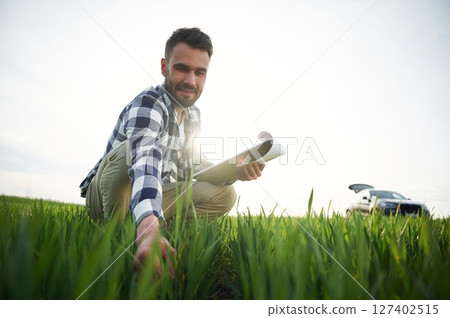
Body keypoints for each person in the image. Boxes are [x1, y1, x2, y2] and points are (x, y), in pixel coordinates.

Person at [79, 27, 265, 276]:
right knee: (131, 152)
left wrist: (234, 171)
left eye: (200, 72)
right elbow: (144, 158)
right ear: (164, 67)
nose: (191, 80)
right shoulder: (149, 102)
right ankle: (137, 229)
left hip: (155, 193)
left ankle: (156, 231)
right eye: (182, 69)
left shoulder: (194, 116)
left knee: (226, 194)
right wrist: (148, 225)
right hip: (107, 198)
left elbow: (195, 167)